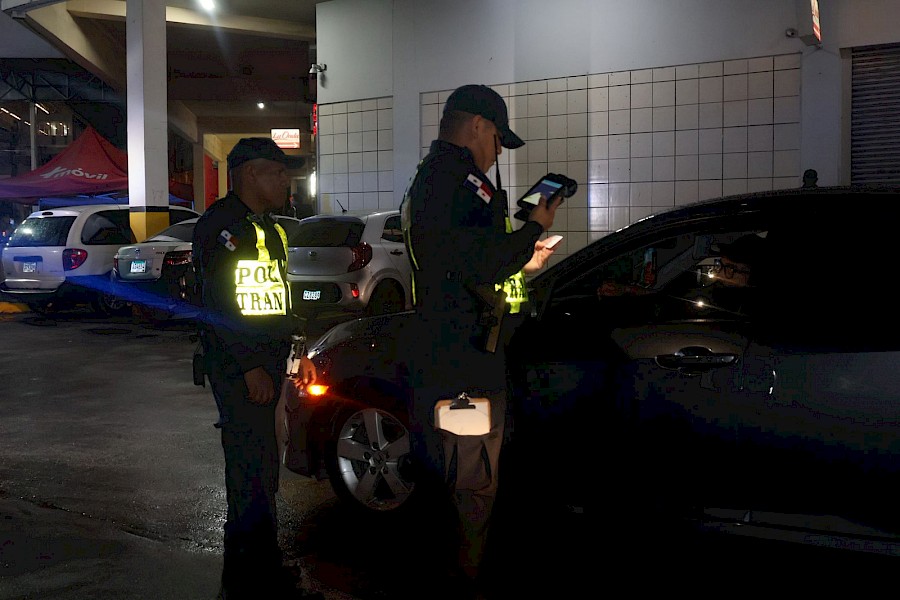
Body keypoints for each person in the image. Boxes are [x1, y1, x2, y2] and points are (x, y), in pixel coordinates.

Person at [399, 84, 561, 597]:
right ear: (477, 127)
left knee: (450, 474)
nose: (495, 156)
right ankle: (459, 582)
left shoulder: (428, 180)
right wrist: (534, 224)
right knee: (469, 481)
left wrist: (523, 259)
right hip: (464, 363)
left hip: (445, 354)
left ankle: (447, 571)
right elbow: (486, 262)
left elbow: (466, 266)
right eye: (496, 141)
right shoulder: (463, 183)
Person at [191, 137, 320, 600]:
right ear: (248, 175)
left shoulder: (270, 229)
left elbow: (274, 300)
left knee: (262, 468)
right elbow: (216, 305)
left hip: (266, 363)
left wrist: (296, 352)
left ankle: (257, 566)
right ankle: (250, 576)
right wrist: (249, 367)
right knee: (249, 469)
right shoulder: (219, 227)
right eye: (277, 172)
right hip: (239, 367)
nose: (286, 181)